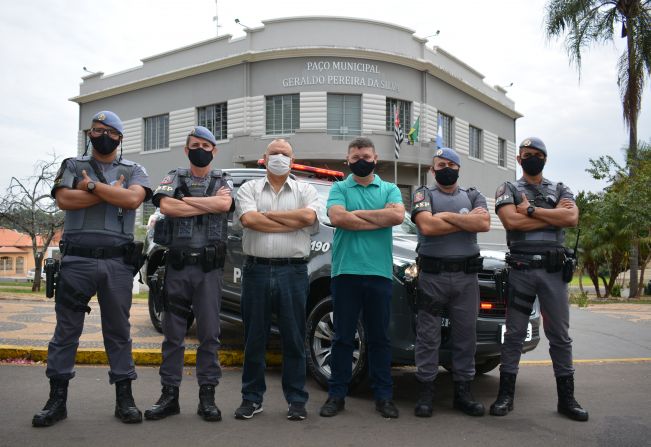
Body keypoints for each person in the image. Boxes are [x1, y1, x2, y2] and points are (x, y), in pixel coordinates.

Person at [33, 111, 151, 427]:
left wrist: (91, 187)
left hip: (117, 263)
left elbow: (133, 200)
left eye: (107, 130)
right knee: (66, 332)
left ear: (119, 136)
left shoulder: (134, 169)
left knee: (118, 331)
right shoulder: (72, 165)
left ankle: (124, 399)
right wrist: (109, 190)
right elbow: (64, 200)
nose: (99, 134)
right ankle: (56, 401)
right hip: (76, 262)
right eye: (95, 129)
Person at [491, 137, 588, 421]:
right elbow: (512, 222)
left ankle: (566, 399)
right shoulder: (507, 188)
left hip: (554, 273)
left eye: (537, 154)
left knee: (559, 335)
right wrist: (553, 215)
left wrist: (531, 210)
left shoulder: (560, 188)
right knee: (514, 334)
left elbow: (571, 219)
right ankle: (505, 396)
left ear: (545, 158)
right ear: (519, 159)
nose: (532, 158)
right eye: (526, 154)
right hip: (521, 271)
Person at [144, 126, 233, 422]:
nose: (201, 149)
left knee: (209, 335)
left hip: (208, 271)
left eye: (207, 146)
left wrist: (187, 202)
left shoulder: (222, 180)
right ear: (186, 149)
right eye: (195, 145)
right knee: (173, 335)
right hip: (178, 268)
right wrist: (201, 205)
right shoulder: (175, 176)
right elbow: (166, 205)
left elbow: (224, 204)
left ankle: (207, 398)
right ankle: (169, 396)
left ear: (214, 150)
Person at [232, 139, 319, 421]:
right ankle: (251, 398)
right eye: (275, 153)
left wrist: (266, 215)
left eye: (285, 154)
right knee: (253, 338)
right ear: (264, 158)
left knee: (294, 338)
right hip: (256, 270)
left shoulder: (306, 189)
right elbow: (249, 221)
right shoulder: (248, 188)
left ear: (293, 160)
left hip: (292, 272)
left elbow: (308, 217)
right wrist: (289, 223)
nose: (279, 157)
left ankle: (296, 400)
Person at [319, 137, 405, 419]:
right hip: (345, 272)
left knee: (380, 338)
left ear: (375, 157)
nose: (361, 161)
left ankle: (384, 397)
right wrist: (376, 217)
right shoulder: (339, 187)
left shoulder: (390, 188)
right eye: (355, 158)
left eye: (365, 156)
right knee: (342, 337)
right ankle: (336, 395)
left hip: (379, 274)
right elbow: (338, 218)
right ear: (348, 160)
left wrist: (356, 214)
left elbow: (397, 216)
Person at [410, 147, 490, 417]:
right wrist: (466, 220)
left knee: (466, 336)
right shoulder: (423, 194)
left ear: (458, 168)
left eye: (450, 164)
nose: (445, 168)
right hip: (433, 277)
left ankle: (463, 393)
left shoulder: (473, 195)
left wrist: (444, 217)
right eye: (439, 164)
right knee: (428, 336)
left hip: (466, 278)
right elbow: (428, 227)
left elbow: (484, 223)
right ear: (432, 170)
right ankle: (425, 393)